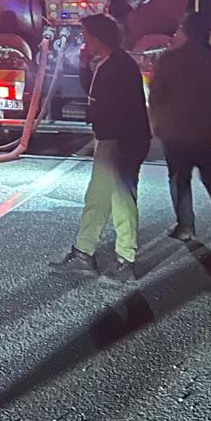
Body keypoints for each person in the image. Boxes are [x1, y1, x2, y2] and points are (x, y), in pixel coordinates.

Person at [51, 15, 151, 283]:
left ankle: (125, 259)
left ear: (98, 37)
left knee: (121, 199)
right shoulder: (109, 63)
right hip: (111, 139)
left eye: (86, 34)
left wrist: (112, 144)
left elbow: (115, 107)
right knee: (98, 197)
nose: (83, 40)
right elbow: (96, 95)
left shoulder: (119, 66)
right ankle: (84, 253)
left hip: (121, 141)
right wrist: (84, 67)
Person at [148, 12, 211, 245]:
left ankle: (185, 227)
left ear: (185, 31)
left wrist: (160, 124)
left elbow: (156, 96)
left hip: (177, 135)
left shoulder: (169, 60)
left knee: (179, 180)